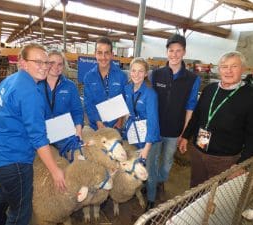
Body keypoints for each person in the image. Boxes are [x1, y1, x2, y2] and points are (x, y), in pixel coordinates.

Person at [0, 43, 66, 225]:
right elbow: (38, 138)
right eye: (38, 62)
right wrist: (55, 171)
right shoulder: (30, 93)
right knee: (20, 212)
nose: (44, 66)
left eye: (46, 62)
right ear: (23, 63)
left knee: (5, 192)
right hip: (11, 160)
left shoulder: (11, 80)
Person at [179, 51, 253, 187]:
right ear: (219, 70)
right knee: (195, 187)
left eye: (234, 66)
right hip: (198, 151)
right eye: (224, 67)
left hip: (225, 159)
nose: (228, 71)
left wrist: (242, 164)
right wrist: (185, 136)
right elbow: (197, 116)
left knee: (217, 195)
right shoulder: (210, 89)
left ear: (243, 69)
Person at [151, 34, 201, 192]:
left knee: (167, 160)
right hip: (156, 129)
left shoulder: (192, 79)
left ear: (184, 52)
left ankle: (161, 181)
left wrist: (184, 133)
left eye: (178, 50)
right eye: (171, 50)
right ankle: (151, 182)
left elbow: (190, 107)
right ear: (167, 52)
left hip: (174, 131)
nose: (174, 54)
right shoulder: (156, 74)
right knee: (154, 158)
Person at [123, 57, 160, 211]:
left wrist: (146, 148)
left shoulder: (150, 94)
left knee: (149, 169)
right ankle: (138, 188)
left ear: (146, 74)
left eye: (140, 71)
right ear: (129, 71)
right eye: (133, 70)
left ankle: (151, 199)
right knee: (134, 163)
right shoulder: (127, 89)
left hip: (149, 137)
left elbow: (153, 121)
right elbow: (127, 111)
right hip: (134, 132)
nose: (136, 74)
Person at [38, 50, 84, 153]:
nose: (56, 67)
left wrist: (79, 130)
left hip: (64, 135)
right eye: (52, 63)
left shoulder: (70, 86)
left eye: (60, 64)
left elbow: (77, 111)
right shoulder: (36, 85)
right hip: (41, 134)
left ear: (63, 66)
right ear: (46, 64)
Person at [83, 36, 128, 130]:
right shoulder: (89, 77)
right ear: (95, 54)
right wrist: (98, 123)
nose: (103, 57)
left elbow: (124, 100)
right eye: (100, 53)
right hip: (96, 126)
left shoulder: (122, 76)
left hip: (116, 126)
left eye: (107, 53)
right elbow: (88, 103)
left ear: (112, 54)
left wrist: (120, 121)